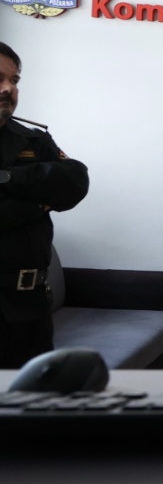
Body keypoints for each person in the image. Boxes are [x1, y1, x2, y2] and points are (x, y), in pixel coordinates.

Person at [0, 42, 89, 367]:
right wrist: (37, 204)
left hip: (30, 307)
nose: (8, 88)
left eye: (14, 80)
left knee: (35, 395)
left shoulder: (32, 139)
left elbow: (75, 182)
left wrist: (7, 178)